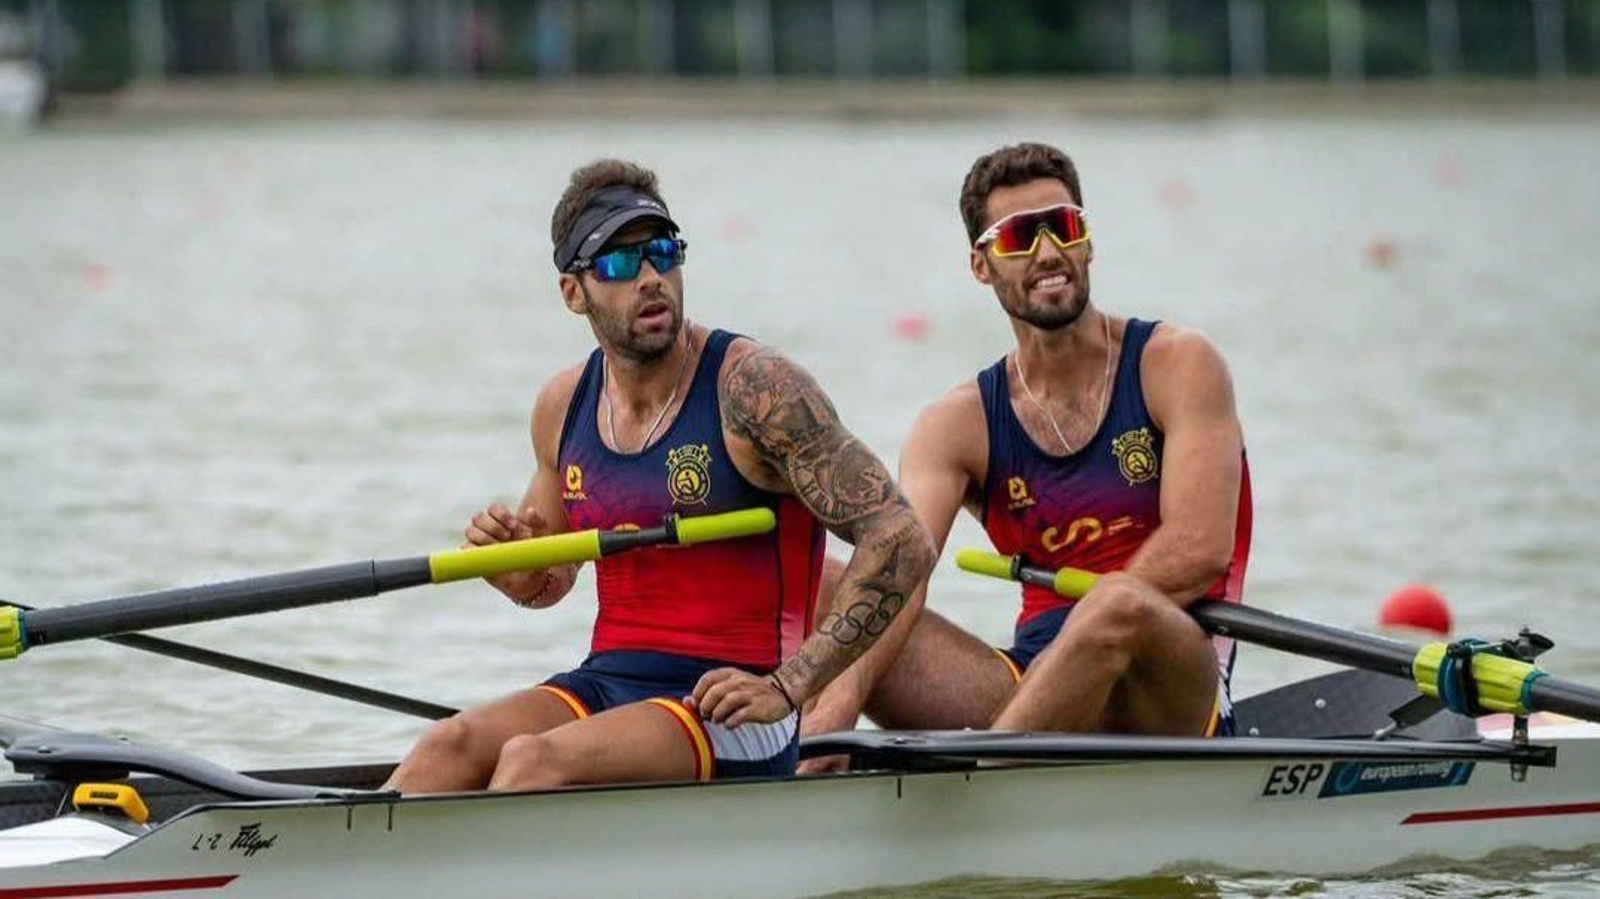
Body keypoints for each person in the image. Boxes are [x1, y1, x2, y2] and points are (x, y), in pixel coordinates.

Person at [386, 159, 933, 792]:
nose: (650, 278)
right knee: (446, 747)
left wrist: (791, 687)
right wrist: (509, 568)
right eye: (619, 263)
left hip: (737, 701)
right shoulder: (563, 405)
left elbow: (900, 536)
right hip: (610, 682)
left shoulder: (755, 389)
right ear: (573, 292)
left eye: (663, 252)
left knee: (531, 762)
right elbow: (546, 583)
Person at [800, 142, 1252, 770]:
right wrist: (834, 713)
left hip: (1168, 689)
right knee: (831, 587)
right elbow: (898, 576)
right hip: (1029, 685)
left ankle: (985, 791)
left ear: (1088, 242)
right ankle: (809, 761)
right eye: (1018, 237)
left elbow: (1200, 550)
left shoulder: (1177, 364)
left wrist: (1083, 637)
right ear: (981, 265)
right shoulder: (955, 424)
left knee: (1115, 605)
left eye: (1063, 228)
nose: (1048, 253)